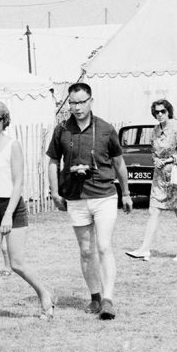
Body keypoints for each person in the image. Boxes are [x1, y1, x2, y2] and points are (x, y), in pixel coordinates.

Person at [46, 83, 131, 319]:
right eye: (72, 103)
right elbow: (53, 162)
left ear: (91, 101)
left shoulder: (105, 128)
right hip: (75, 198)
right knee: (85, 250)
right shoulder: (61, 129)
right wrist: (55, 192)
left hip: (104, 195)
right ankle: (94, 297)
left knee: (104, 246)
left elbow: (119, 163)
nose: (77, 107)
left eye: (81, 102)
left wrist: (126, 193)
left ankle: (108, 300)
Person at [0, 99, 55, 326]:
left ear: (4, 121)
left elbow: (18, 184)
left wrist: (8, 215)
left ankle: (45, 294)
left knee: (16, 263)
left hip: (13, 208)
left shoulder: (12, 145)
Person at [125, 99, 177, 261]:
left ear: (169, 111)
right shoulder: (155, 130)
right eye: (157, 112)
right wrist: (156, 160)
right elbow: (153, 151)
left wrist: (168, 160)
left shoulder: (176, 129)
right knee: (153, 210)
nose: (160, 114)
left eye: (163, 111)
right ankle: (145, 248)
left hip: (175, 177)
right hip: (159, 177)